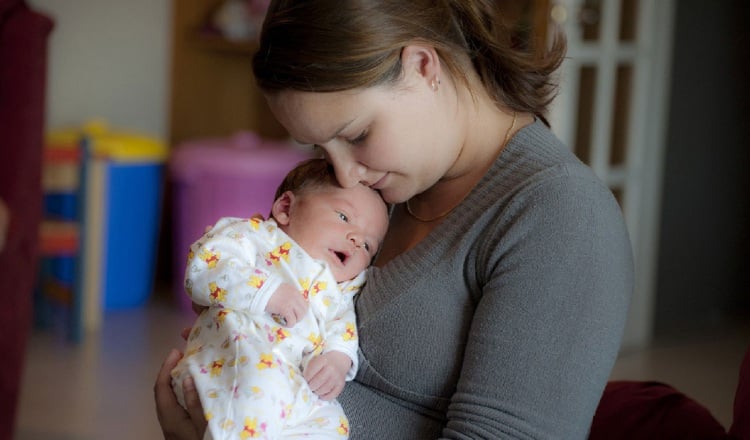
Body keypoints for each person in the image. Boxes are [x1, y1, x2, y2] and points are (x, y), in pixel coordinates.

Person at [155, 1, 749, 438]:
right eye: (320, 152)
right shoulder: (392, 187)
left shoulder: (558, 219)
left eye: (357, 135)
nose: (347, 176)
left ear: (422, 65)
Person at [169, 158, 389, 439]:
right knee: (258, 392)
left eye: (369, 245)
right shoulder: (254, 237)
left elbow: (342, 326)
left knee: (333, 424)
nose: (357, 240)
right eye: (344, 217)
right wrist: (266, 290)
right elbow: (204, 268)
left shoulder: (342, 289)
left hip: (296, 385)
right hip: (236, 362)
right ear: (286, 209)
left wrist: (337, 360)